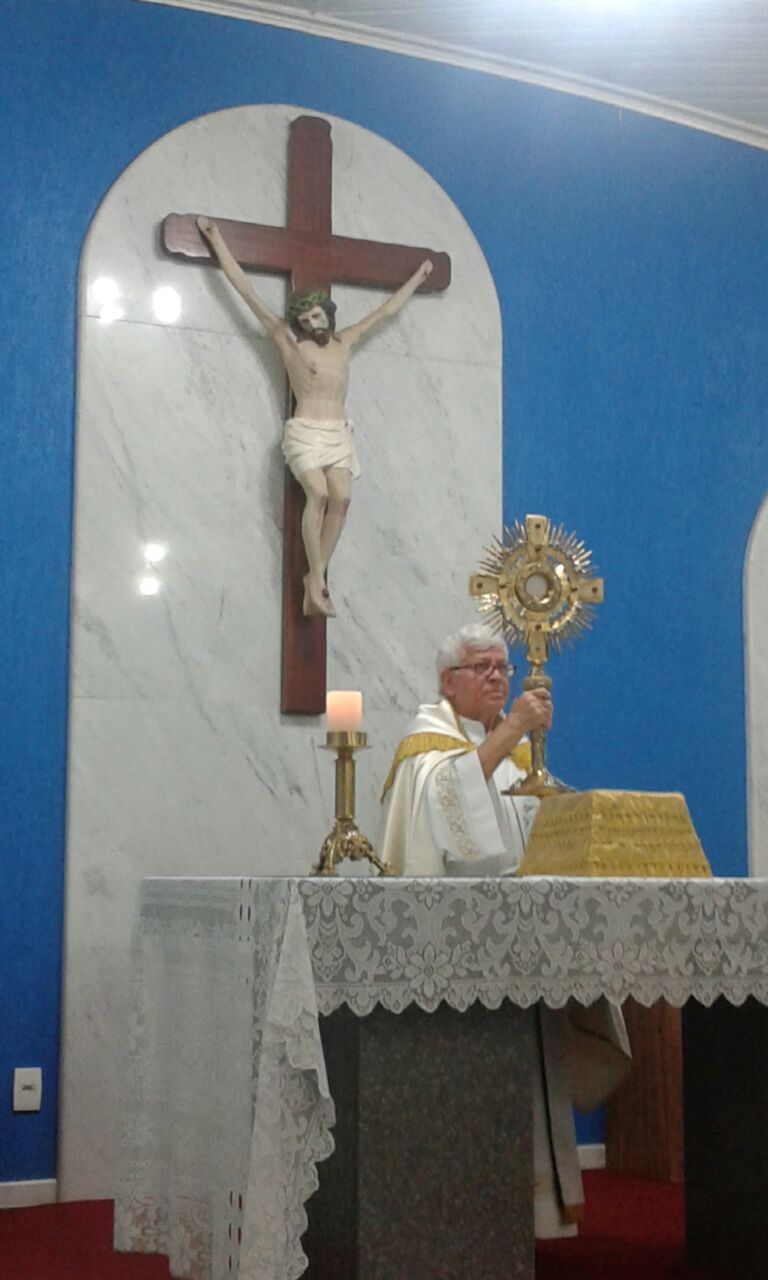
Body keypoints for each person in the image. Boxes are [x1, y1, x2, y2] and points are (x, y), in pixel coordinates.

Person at [379, 622, 631, 1237]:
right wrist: (516, 726)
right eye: (482, 667)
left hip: (520, 947)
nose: (497, 677)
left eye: (503, 667)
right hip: (453, 953)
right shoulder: (425, 745)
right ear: (448, 681)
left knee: (530, 1078)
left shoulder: (514, 751)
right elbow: (446, 809)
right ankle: (456, 1222)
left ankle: (530, 1217)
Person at [196, 217, 433, 618]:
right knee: (319, 495)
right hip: (305, 432)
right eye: (305, 321)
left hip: (338, 433)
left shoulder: (345, 341)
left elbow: (386, 312)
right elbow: (246, 291)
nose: (312, 324)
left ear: (328, 314)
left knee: (342, 499)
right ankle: (318, 578)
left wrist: (418, 277)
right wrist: (216, 240)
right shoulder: (290, 345)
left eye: (317, 317)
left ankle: (314, 578)